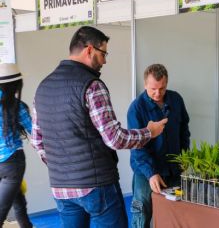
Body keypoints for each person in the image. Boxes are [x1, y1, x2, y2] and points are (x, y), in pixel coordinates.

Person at [31, 26, 167, 228]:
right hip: (96, 185)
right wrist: (150, 132)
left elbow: (37, 141)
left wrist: (63, 168)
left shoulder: (43, 87)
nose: (105, 60)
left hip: (61, 188)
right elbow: (115, 138)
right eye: (103, 53)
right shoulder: (92, 85)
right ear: (89, 50)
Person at [128, 64, 190, 228]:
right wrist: (151, 173)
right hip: (146, 171)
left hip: (174, 169)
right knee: (141, 213)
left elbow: (184, 131)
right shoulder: (136, 108)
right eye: (153, 89)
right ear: (145, 84)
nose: (157, 93)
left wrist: (184, 158)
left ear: (166, 84)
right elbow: (137, 146)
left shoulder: (176, 99)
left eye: (162, 88)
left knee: (176, 212)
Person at [0, 63, 33, 228]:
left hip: (6, 165)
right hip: (12, 163)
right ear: (17, 85)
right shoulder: (17, 106)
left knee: (18, 200)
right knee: (3, 209)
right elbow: (35, 131)